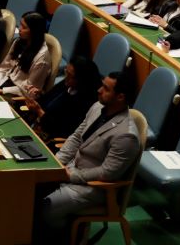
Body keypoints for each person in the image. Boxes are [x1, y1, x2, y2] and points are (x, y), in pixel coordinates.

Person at [38, 72, 141, 238]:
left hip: (93, 187)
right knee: (29, 188)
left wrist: (70, 175)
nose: (99, 90)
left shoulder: (126, 135)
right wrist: (56, 163)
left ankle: (63, 237)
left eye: (106, 88)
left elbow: (107, 173)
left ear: (120, 97)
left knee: (46, 207)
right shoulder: (97, 107)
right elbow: (76, 137)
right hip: (70, 169)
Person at [24, 57, 103, 141]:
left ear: (81, 80)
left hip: (50, 140)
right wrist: (39, 95)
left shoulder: (86, 103)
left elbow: (62, 130)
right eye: (66, 72)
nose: (66, 77)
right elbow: (49, 100)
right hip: (36, 126)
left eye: (70, 75)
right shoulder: (68, 83)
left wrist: (39, 111)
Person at [0, 12, 51, 97]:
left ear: (34, 31)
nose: (20, 29)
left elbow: (28, 90)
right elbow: (5, 67)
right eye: (20, 25)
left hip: (17, 95)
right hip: (2, 83)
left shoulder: (41, 58)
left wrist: (2, 91)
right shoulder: (19, 42)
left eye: (24, 27)